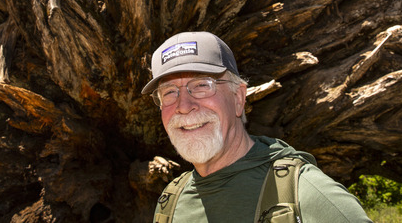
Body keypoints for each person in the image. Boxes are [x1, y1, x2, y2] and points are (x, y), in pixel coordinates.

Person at [142, 31, 371, 222]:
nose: (184, 105)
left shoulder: (307, 195)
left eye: (202, 85)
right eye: (169, 92)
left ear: (239, 98)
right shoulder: (170, 202)